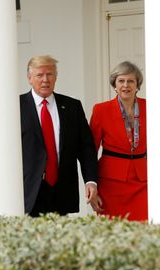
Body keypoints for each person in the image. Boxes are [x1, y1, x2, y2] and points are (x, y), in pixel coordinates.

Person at [20, 55, 101, 216]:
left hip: (62, 189)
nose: (45, 80)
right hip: (29, 190)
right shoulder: (16, 106)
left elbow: (85, 147)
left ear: (56, 77)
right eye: (39, 75)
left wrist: (91, 181)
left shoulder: (72, 106)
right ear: (29, 78)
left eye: (49, 74)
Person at [89, 61, 147, 221]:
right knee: (113, 229)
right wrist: (92, 186)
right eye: (121, 81)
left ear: (137, 85)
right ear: (114, 84)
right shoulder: (100, 110)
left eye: (131, 81)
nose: (126, 85)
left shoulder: (151, 107)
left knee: (143, 228)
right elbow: (90, 152)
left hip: (143, 182)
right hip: (110, 183)